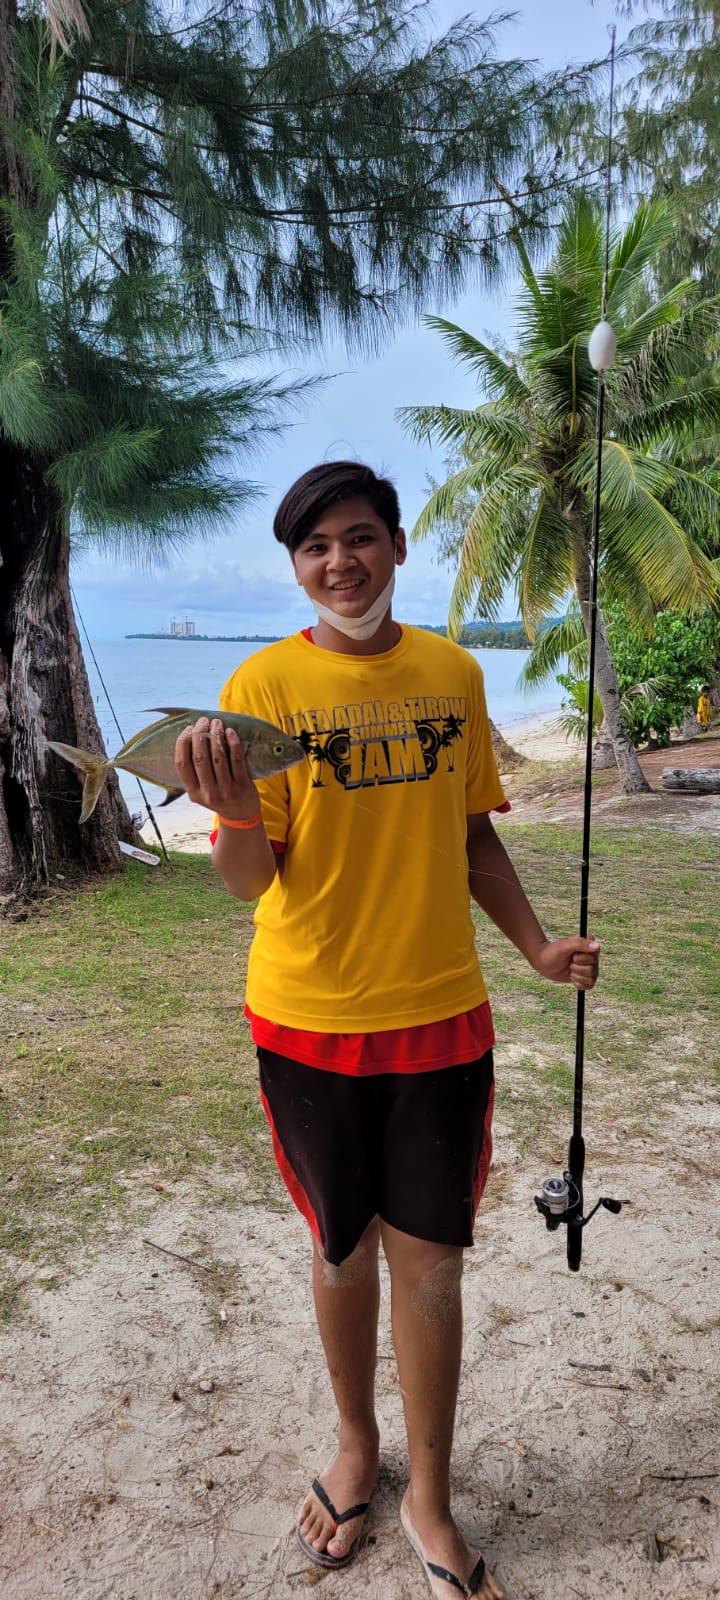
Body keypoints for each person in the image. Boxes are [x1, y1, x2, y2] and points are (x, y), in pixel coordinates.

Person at [175, 462, 600, 1600]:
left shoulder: (453, 675)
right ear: (297, 566)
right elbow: (248, 878)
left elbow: (472, 838)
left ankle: (431, 1494)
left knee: (432, 1261)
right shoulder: (258, 686)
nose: (339, 563)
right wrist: (223, 807)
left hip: (440, 1020)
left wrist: (537, 947)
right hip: (307, 1021)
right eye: (314, 548)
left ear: (400, 548)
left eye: (359, 539)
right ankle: (356, 1442)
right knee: (338, 1243)